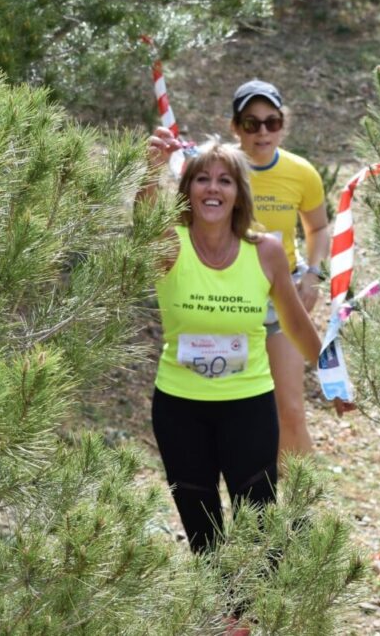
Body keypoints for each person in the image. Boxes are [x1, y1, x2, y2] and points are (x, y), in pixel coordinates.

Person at [139, 140, 330, 560]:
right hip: (180, 410)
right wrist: (150, 168)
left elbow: (296, 322)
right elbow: (144, 222)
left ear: (239, 193)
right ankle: (226, 620)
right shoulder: (171, 245)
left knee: (259, 533)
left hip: (248, 407)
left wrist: (334, 380)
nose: (213, 188)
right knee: (204, 540)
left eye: (225, 180)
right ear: (187, 190)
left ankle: (255, 618)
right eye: (202, 179)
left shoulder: (265, 252)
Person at [150, 80, 331, 458]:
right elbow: (168, 218)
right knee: (231, 411)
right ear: (235, 126)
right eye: (251, 123)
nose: (262, 132)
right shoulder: (214, 166)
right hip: (223, 297)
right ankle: (242, 491)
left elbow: (317, 227)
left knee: (291, 411)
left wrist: (313, 273)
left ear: (283, 124)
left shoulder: (302, 173)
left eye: (272, 122)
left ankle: (299, 508)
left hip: (278, 295)